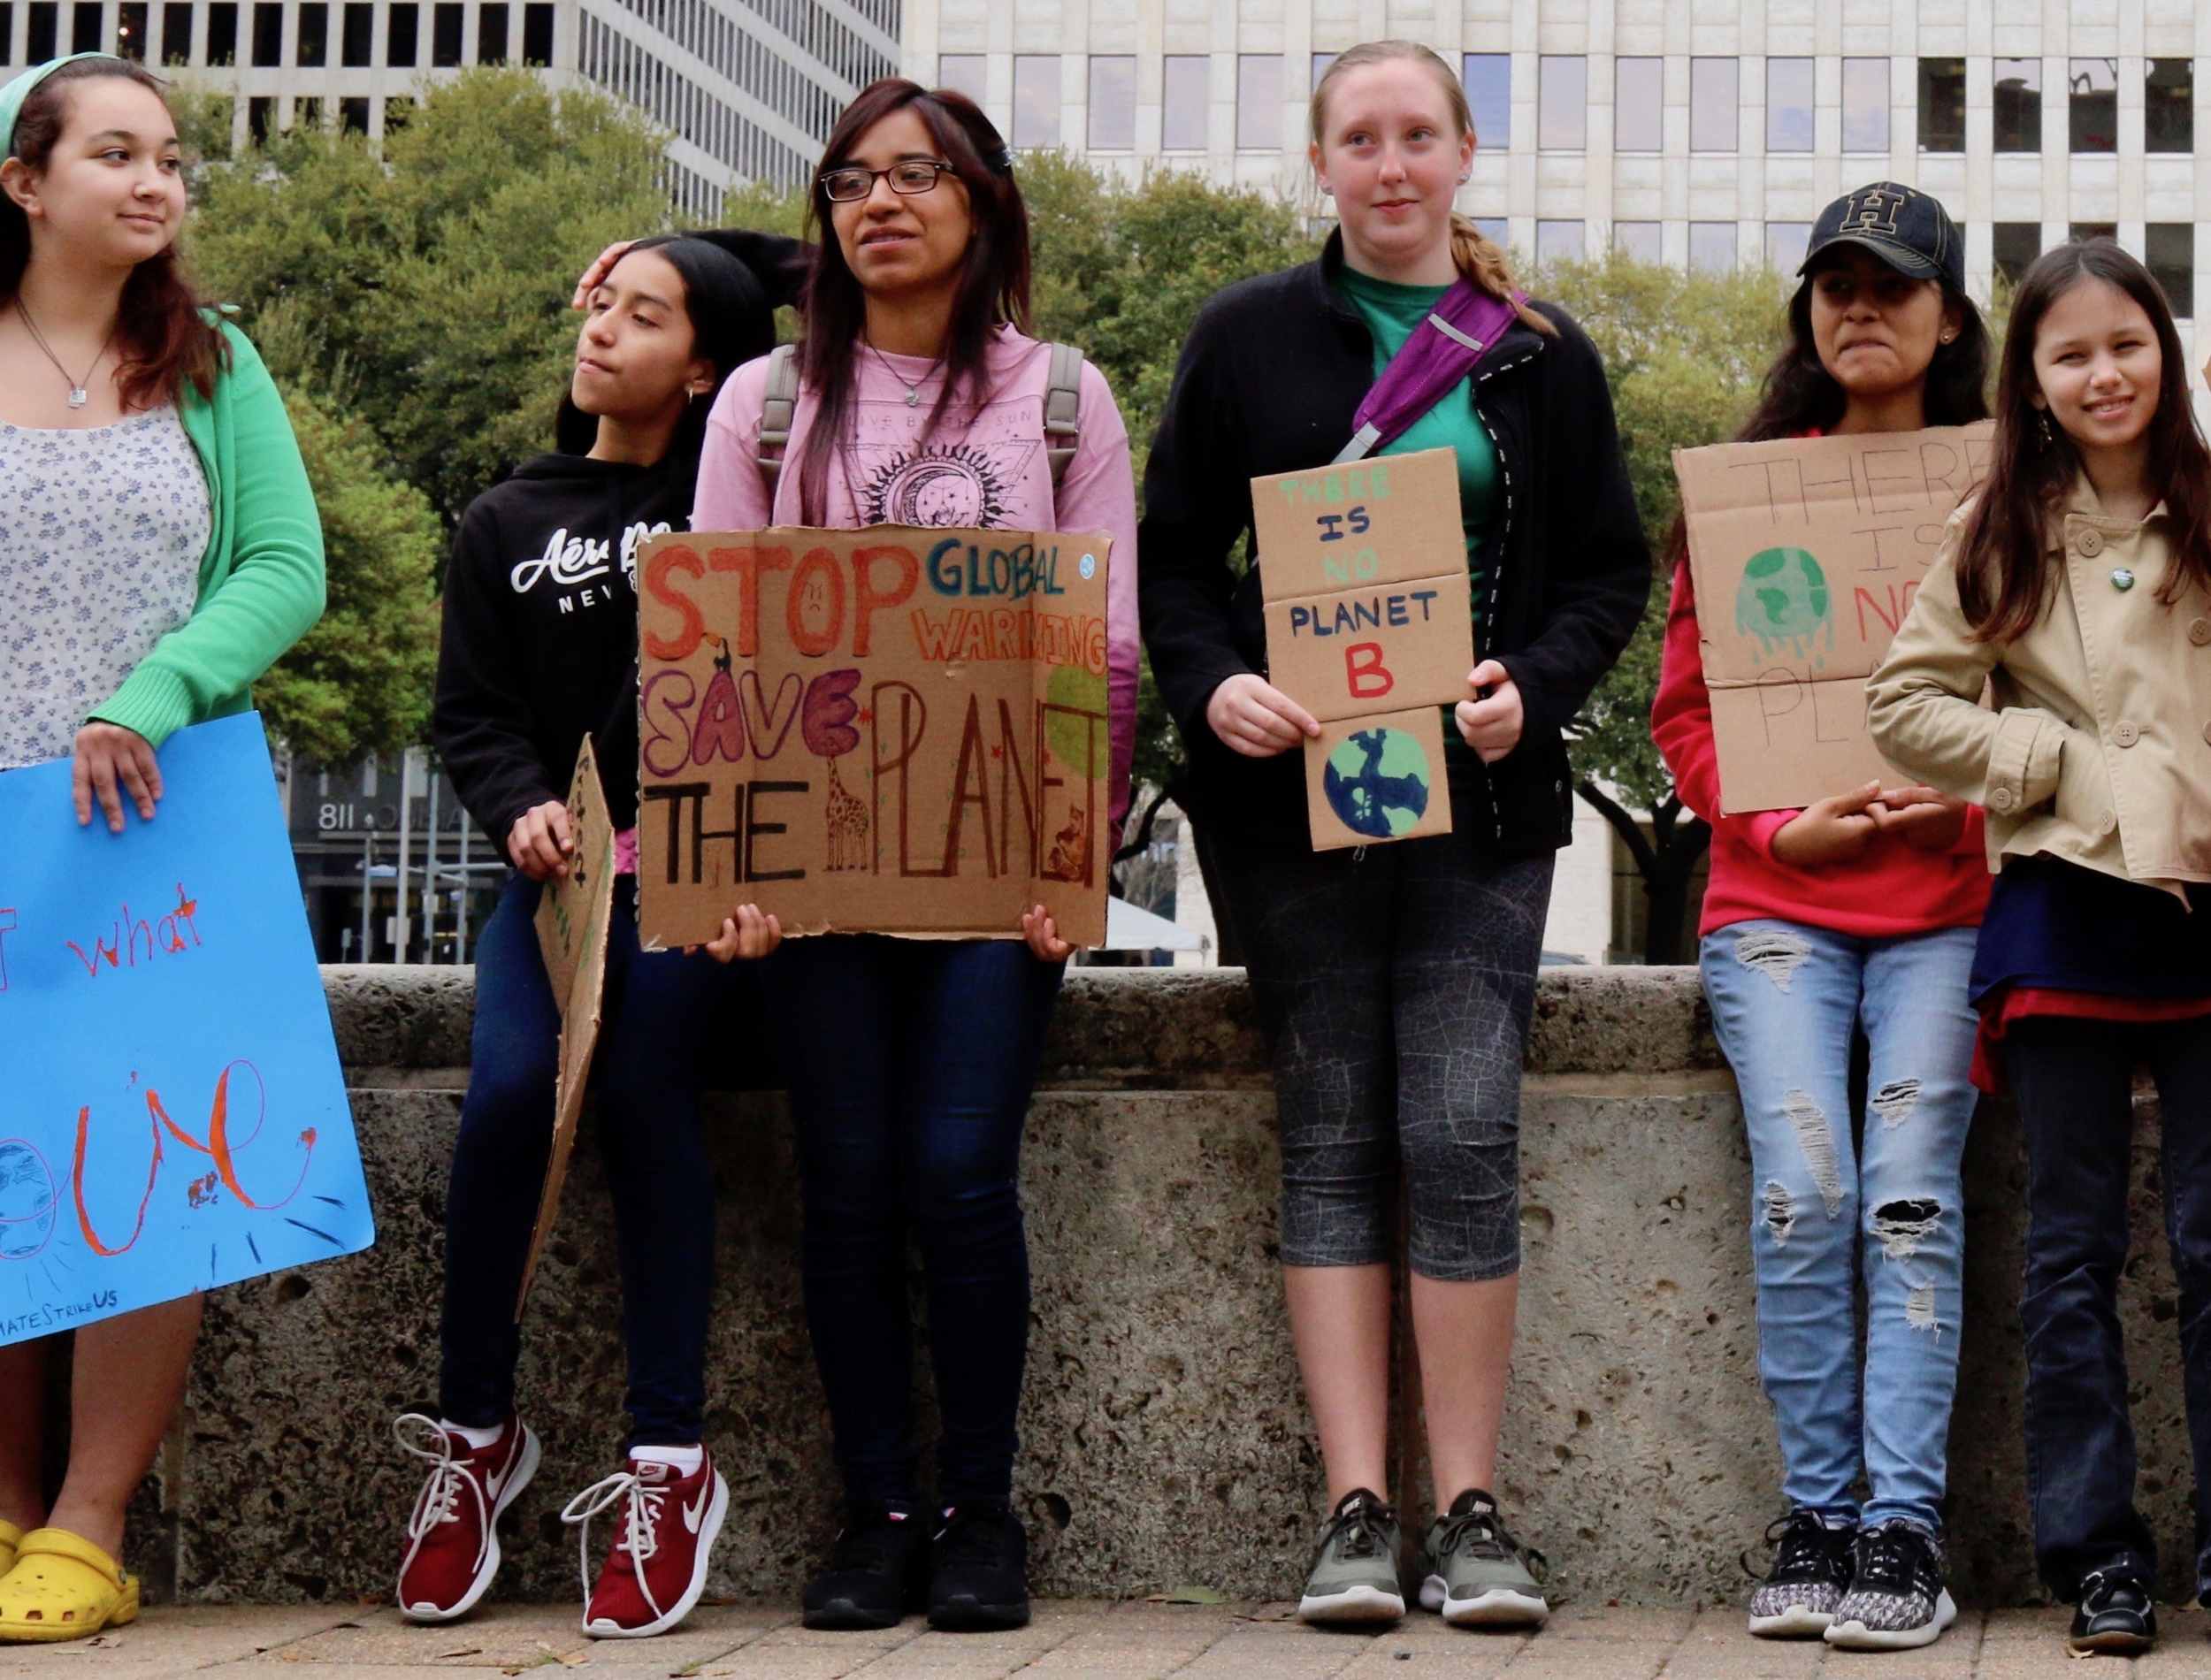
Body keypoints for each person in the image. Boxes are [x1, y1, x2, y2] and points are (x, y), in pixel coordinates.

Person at [1138, 40, 1646, 1629]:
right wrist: (1216, 686)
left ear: (1466, 151)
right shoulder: (1243, 338)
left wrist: (1532, 691)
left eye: (1418, 133)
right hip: (1292, 806)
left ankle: (1477, 1513)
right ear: (1321, 164)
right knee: (1335, 1137)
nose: (1391, 164)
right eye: (1360, 138)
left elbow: (1605, 575)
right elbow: (1165, 564)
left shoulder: (1539, 356)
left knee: (1464, 1130)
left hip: (1479, 804)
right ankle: (1358, 1511)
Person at [677, 78, 1138, 1632]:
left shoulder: (1065, 399)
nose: (882, 202)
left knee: (957, 1178)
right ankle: (877, 1508)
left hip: (994, 868)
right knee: (850, 1183)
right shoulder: (758, 406)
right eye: (853, 179)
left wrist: (1072, 864)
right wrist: (724, 869)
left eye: (919, 175)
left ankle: (982, 1511)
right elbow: (719, 644)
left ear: (984, 205)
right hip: (810, 874)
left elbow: (1112, 647)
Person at [393, 233, 792, 1638]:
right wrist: (514, 811)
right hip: (554, 891)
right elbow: (472, 715)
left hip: (701, 883)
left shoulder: (742, 489)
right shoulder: (506, 516)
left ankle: (668, 1463)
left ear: (708, 364)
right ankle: (476, 1439)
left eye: (645, 313)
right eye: (599, 307)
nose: (602, 331)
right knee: (504, 1096)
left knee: (637, 1091)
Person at [0, 54, 325, 1642]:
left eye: (172, 160)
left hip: (150, 816)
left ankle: (89, 1521)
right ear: (23, 180)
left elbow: (283, 565)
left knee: (149, 1164)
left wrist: (153, 691)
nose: (154, 182)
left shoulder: (214, 362)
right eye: (115, 153)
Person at [1651, 186, 1992, 1651]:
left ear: (1950, 318)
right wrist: (1781, 819)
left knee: (1910, 1191)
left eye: (1894, 286)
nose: (1861, 308)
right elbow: (1683, 712)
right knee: (1808, 1192)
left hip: (1952, 907)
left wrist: (1967, 806)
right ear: (1806, 311)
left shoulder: (2008, 499)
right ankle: (1821, 1513)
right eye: (1834, 285)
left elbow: (2069, 706)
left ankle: (1905, 1531)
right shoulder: (1740, 496)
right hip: (1775, 903)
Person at [1868, 237, 2211, 1659]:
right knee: (2069, 1250)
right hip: (2065, 901)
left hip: (2204, 896)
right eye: (2070, 354)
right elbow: (1908, 705)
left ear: (2164, 351)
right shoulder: (1997, 523)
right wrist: (2057, 762)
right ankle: (2099, 1559)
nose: (2103, 373)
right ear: (2034, 380)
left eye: (2125, 344)